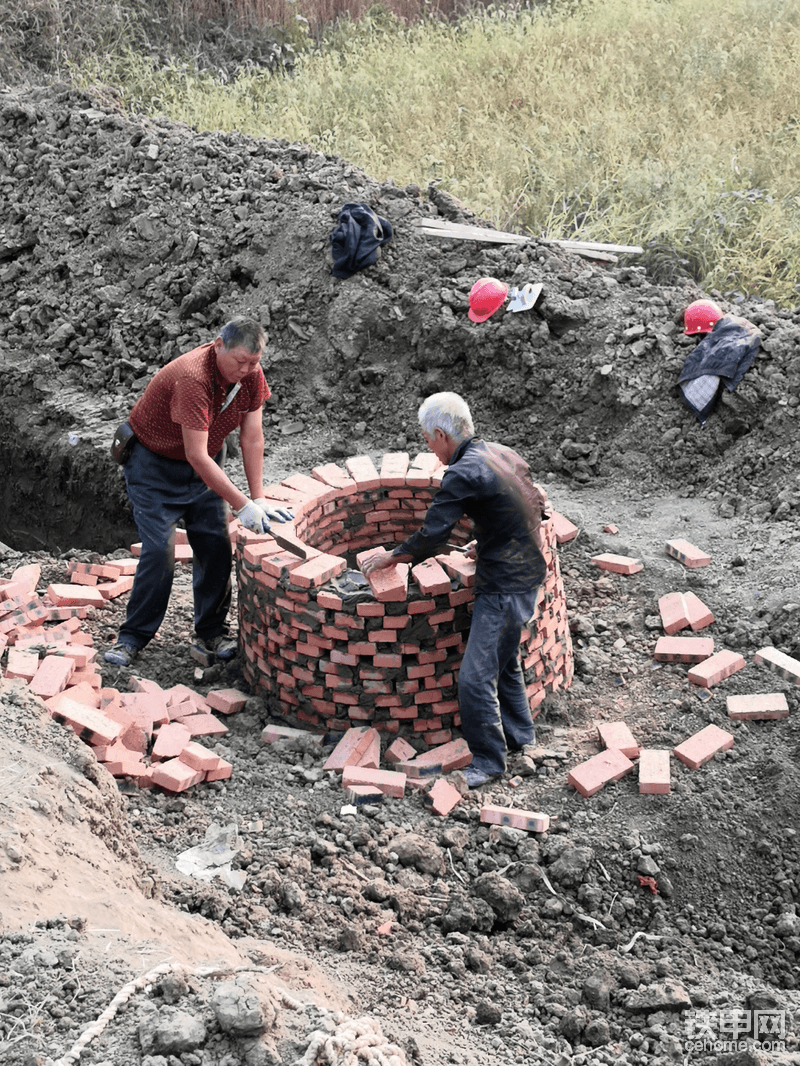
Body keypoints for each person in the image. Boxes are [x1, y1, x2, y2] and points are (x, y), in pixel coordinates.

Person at [361, 392, 547, 788]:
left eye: (427, 439)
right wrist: (490, 540)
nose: (428, 447)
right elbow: (533, 503)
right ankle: (521, 736)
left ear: (442, 435)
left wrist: (393, 557)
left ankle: (488, 761)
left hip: (504, 583)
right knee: (505, 658)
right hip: (529, 571)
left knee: (474, 677)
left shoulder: (461, 472)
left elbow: (434, 534)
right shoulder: (501, 453)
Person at [105, 316, 292, 667]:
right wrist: (242, 506)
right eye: (240, 362)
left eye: (254, 362)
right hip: (154, 467)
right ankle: (132, 638)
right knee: (159, 552)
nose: (247, 369)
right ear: (218, 344)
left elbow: (251, 436)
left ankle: (211, 630)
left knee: (216, 545)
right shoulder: (193, 377)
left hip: (205, 463)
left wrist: (259, 499)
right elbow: (195, 455)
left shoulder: (252, 376)